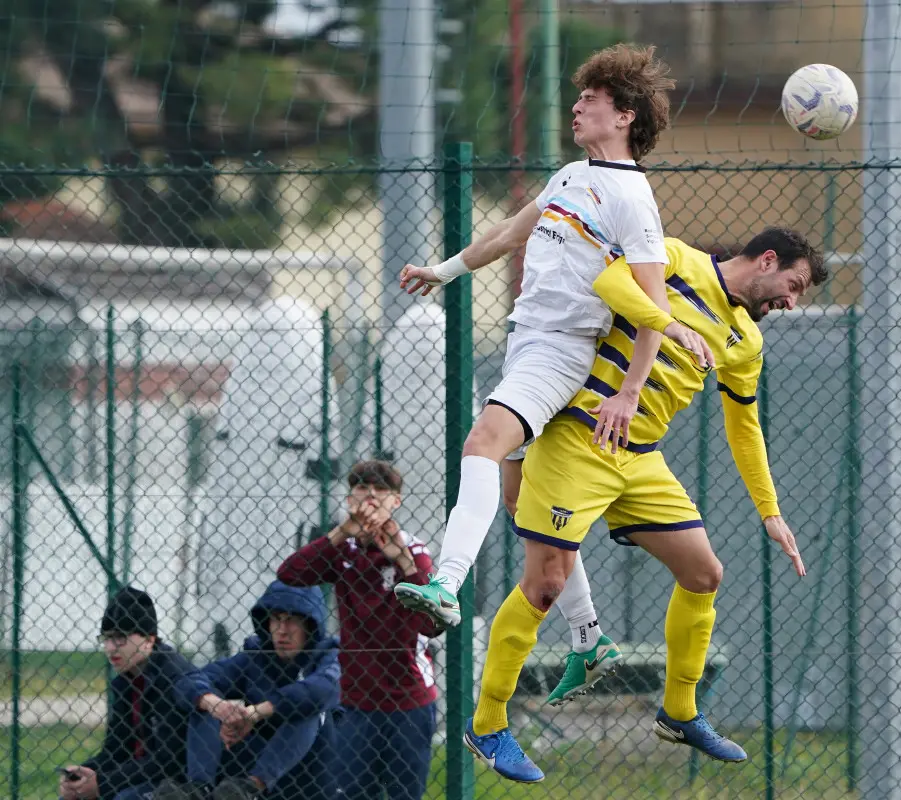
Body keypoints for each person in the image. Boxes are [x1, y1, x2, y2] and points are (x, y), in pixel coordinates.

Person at [392, 42, 714, 706]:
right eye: (579, 97)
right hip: (527, 343)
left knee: (482, 443)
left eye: (591, 99)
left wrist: (629, 392)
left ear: (624, 116)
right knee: (519, 502)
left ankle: (446, 585)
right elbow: (509, 233)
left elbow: (652, 308)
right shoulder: (571, 175)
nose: (577, 106)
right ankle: (589, 638)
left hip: (561, 351)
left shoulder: (633, 198)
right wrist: (443, 272)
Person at [462, 227, 827, 782]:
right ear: (767, 260)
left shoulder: (747, 341)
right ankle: (488, 725)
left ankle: (679, 712)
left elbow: (744, 427)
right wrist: (670, 323)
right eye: (793, 285)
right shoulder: (676, 257)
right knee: (545, 584)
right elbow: (610, 282)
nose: (792, 302)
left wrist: (770, 511)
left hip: (639, 459)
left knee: (704, 573)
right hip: (579, 438)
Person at [275, 460, 441, 800]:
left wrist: (403, 561)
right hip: (356, 703)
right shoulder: (343, 550)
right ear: (350, 499)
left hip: (407, 700)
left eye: (381, 490)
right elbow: (290, 573)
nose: (371, 496)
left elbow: (432, 623)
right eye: (362, 488)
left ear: (396, 501)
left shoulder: (415, 552)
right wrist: (342, 531)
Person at [153, 581, 341, 800]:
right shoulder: (255, 657)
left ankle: (252, 788)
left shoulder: (329, 656)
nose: (282, 630)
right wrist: (218, 706)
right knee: (205, 698)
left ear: (310, 625)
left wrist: (255, 713)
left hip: (312, 775)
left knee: (309, 707)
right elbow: (189, 681)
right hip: (248, 766)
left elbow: (322, 690)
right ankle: (199, 789)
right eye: (276, 619)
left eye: (292, 620)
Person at [59, 587, 204, 800]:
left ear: (149, 639)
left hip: (177, 783)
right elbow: (115, 750)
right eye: (106, 638)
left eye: (121, 637)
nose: (111, 647)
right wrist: (84, 774)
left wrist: (103, 784)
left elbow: (168, 760)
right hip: (138, 775)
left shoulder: (172, 676)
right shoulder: (126, 681)